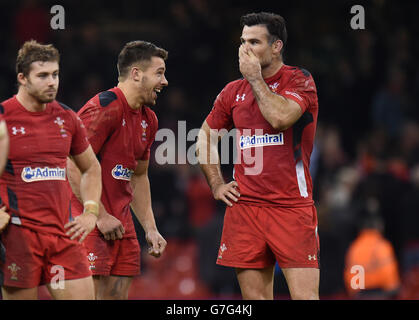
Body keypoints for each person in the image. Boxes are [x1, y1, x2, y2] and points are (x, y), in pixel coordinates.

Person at [197, 12, 320, 300]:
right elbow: (204, 137)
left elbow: (279, 118)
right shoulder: (232, 92)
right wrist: (216, 183)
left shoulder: (299, 80)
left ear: (276, 46)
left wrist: (254, 78)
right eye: (242, 42)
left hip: (291, 207)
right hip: (245, 208)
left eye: (254, 41)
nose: (245, 49)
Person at [0, 40, 102, 299]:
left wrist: (91, 211)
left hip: (63, 235)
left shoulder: (68, 118)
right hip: (18, 237)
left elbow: (91, 168)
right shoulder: (3, 117)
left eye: (55, 74)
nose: (52, 82)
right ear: (22, 78)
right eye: (43, 75)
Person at [67, 40, 168, 300]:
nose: (164, 81)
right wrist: (98, 215)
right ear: (136, 73)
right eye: (159, 73)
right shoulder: (105, 107)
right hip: (86, 217)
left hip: (120, 222)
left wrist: (150, 228)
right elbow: (72, 164)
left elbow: (139, 175)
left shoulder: (149, 119)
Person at [344, 207, 400, 299]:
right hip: (380, 293)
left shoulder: (355, 247)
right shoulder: (382, 245)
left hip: (362, 294)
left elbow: (351, 272)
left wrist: (354, 292)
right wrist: (392, 288)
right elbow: (387, 270)